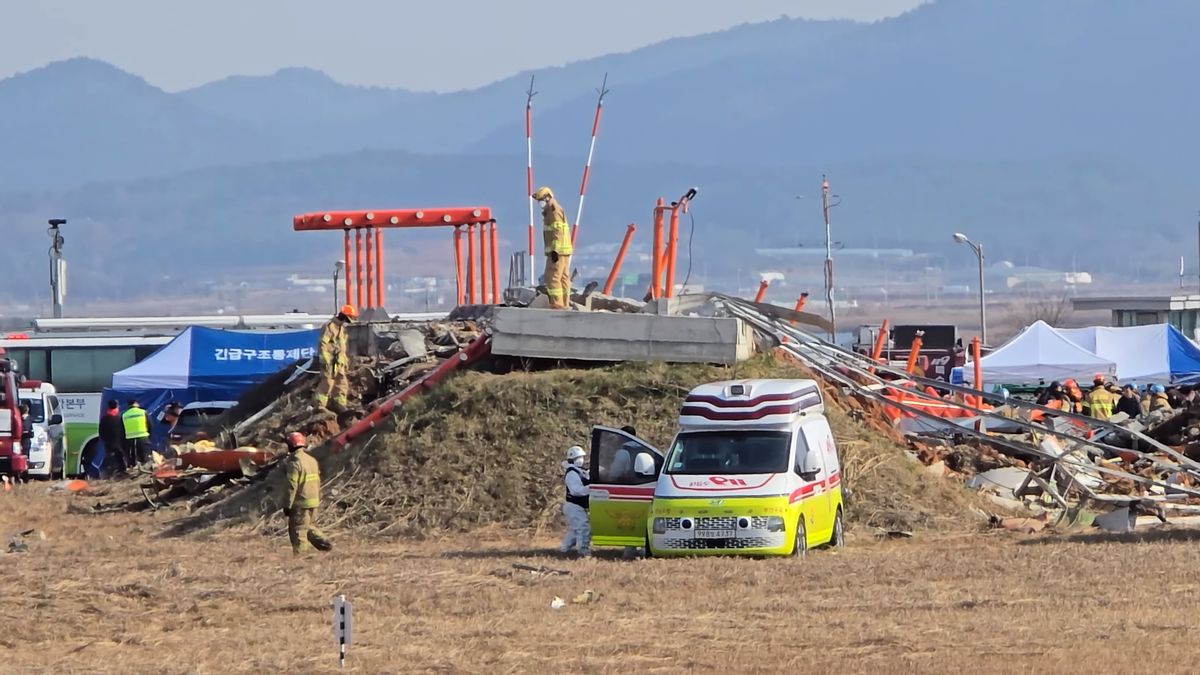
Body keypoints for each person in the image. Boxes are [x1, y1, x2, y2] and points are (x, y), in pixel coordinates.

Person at [282, 432, 333, 555]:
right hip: (313, 501)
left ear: (290, 445)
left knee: (298, 531)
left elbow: (291, 486)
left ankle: (301, 558)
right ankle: (324, 543)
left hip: (300, 503)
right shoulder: (312, 461)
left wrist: (287, 505)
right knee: (307, 525)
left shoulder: (295, 463)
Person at [533, 186, 574, 309]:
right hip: (564, 250)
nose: (539, 203)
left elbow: (557, 230)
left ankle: (557, 304)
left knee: (552, 277)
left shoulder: (553, 210)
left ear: (547, 198)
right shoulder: (552, 210)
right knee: (563, 278)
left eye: (541, 200)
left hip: (558, 251)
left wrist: (555, 250)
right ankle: (564, 303)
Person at [315, 304, 356, 412]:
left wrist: (345, 361)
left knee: (342, 384)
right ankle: (319, 405)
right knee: (327, 383)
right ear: (344, 316)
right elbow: (322, 344)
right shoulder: (329, 326)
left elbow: (343, 347)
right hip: (329, 361)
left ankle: (340, 405)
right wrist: (325, 359)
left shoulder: (342, 329)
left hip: (340, 362)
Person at [559, 445, 591, 558]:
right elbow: (576, 491)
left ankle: (564, 550)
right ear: (573, 459)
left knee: (575, 530)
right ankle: (583, 552)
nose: (581, 460)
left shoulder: (579, 471)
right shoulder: (572, 473)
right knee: (583, 527)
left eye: (582, 457)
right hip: (573, 506)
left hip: (577, 506)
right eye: (579, 457)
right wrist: (591, 488)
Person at [98, 400, 126, 474]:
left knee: (110, 457)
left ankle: (110, 472)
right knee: (120, 458)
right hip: (119, 442)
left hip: (108, 443)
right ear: (117, 406)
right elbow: (123, 430)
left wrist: (105, 440)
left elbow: (101, 431)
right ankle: (121, 471)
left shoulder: (104, 418)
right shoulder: (119, 417)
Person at [121, 400, 151, 467]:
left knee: (132, 461)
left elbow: (121, 430)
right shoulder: (143, 412)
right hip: (143, 438)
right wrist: (149, 436)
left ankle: (132, 472)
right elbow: (150, 425)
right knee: (145, 459)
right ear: (136, 403)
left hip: (130, 440)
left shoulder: (124, 415)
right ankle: (144, 474)